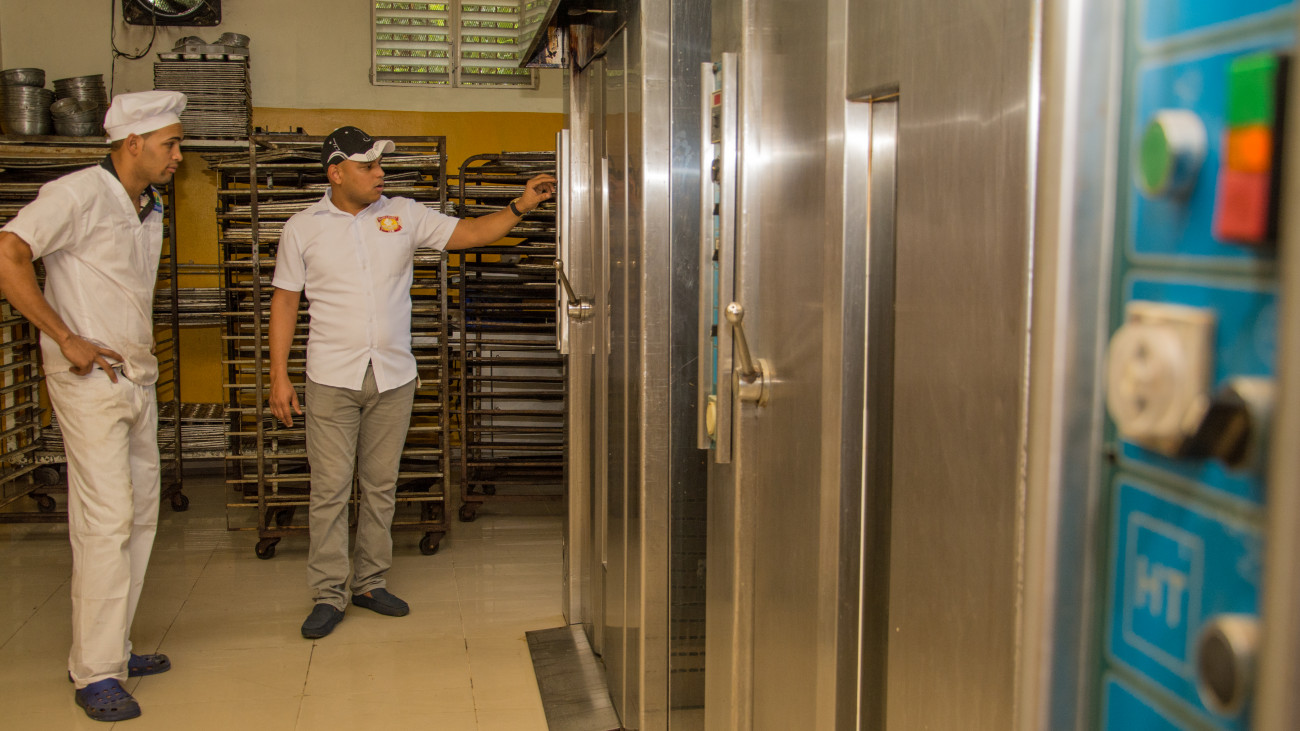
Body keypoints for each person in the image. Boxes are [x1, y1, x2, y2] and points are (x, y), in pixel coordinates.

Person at [268, 126, 555, 639]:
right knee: (330, 490)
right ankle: (329, 593)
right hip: (331, 377)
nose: (379, 173)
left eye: (380, 165)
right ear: (336, 173)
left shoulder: (403, 214)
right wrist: (278, 375)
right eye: (367, 166)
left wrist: (521, 205)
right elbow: (285, 299)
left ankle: (370, 582)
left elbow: (470, 233)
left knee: (380, 486)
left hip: (393, 375)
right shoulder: (302, 228)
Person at [0, 90, 186, 722]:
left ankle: (113, 647)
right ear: (132, 143)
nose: (178, 156)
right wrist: (64, 335)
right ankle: (95, 672)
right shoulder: (76, 193)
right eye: (170, 145)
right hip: (88, 379)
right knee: (105, 520)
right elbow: (9, 251)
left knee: (139, 515)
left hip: (135, 374)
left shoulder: (148, 205)